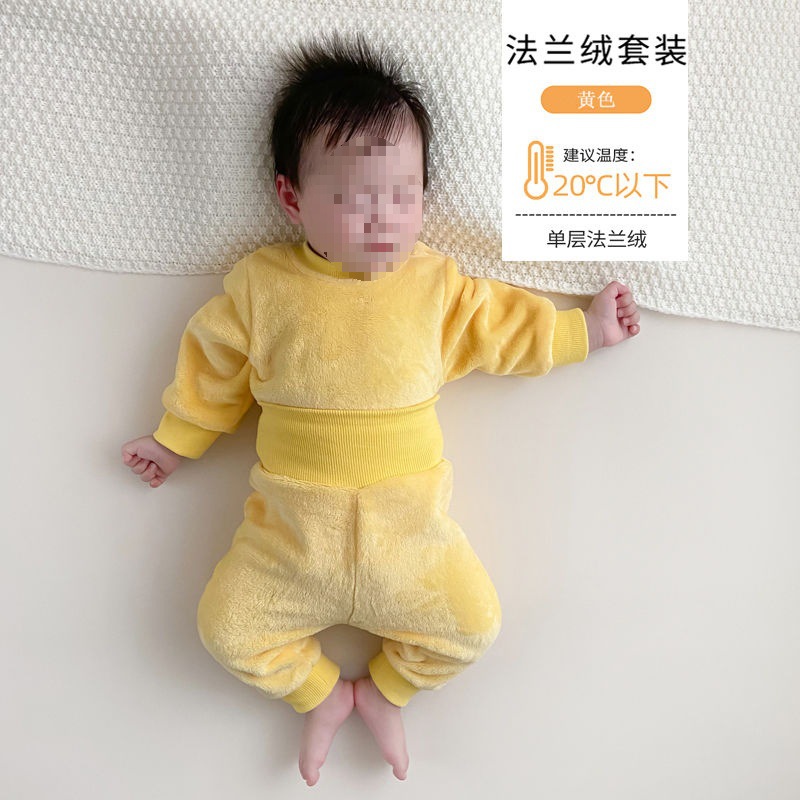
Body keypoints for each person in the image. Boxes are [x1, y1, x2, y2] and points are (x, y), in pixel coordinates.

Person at [121, 31, 641, 786]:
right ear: (292, 198)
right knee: (225, 628)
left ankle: (384, 692)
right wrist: (176, 441)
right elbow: (214, 368)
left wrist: (582, 331)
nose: (383, 216)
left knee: (474, 624)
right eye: (353, 197)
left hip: (410, 537)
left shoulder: (434, 287)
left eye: (403, 194)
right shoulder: (262, 287)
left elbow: (499, 327)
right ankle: (323, 695)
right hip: (290, 541)